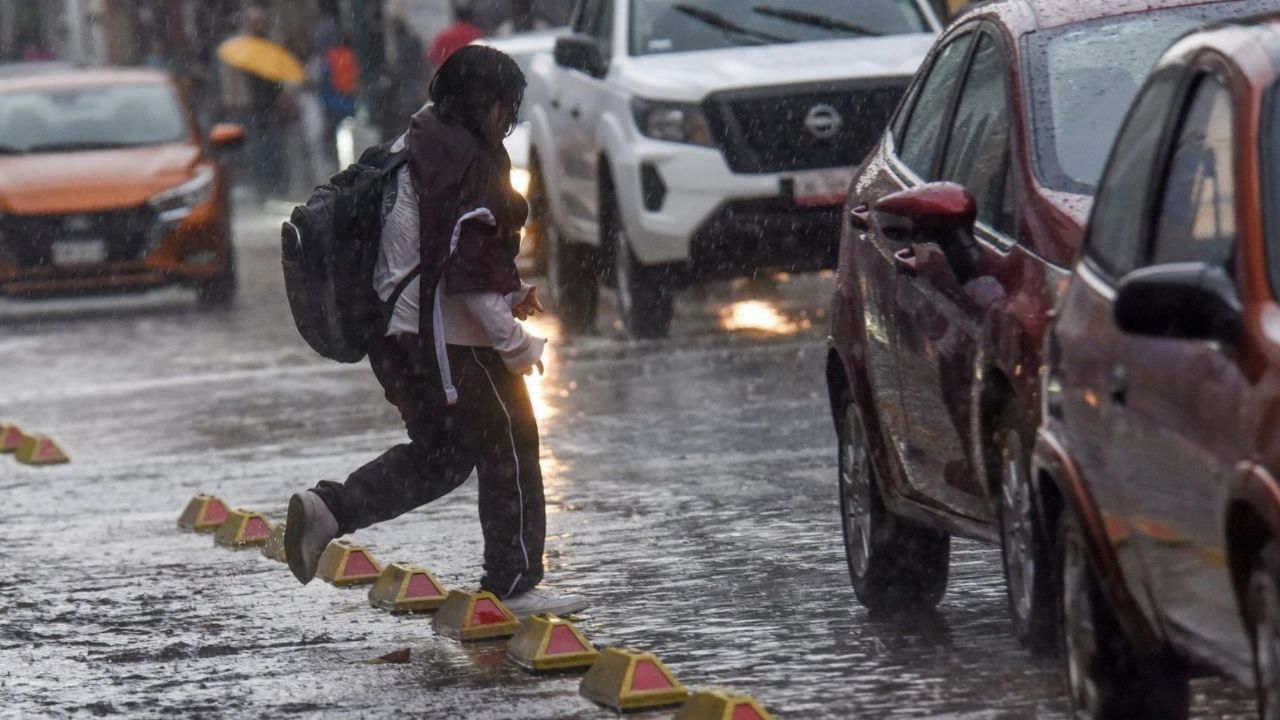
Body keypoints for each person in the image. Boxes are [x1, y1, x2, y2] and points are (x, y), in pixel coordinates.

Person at [284, 46, 587, 618]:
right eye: (504, 106)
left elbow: (442, 254)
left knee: (443, 457)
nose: (507, 118)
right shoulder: (465, 162)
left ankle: (330, 510)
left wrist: (510, 293)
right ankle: (515, 583)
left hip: (396, 341)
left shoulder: (419, 142)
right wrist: (516, 344)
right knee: (511, 443)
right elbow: (467, 274)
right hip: (448, 346)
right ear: (482, 103)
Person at [428, 3, 486, 73]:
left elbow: (433, 58)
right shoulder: (477, 35)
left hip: (448, 73)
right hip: (472, 73)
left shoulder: (444, 35)